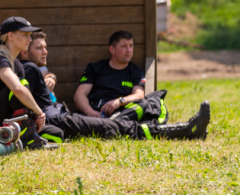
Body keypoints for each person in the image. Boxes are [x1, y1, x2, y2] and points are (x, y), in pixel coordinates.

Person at [71, 30, 210, 140]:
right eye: (124, 46)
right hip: (97, 113)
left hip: (123, 113)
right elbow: (79, 95)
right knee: (140, 123)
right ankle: (187, 129)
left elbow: (139, 95)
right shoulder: (96, 68)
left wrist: (119, 101)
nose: (129, 50)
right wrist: (91, 113)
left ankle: (114, 123)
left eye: (131, 46)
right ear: (112, 49)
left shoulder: (135, 71)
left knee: (146, 102)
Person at [0, 17, 62, 149]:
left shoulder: (17, 64)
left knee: (56, 133)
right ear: (10, 36)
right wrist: (39, 112)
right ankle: (28, 140)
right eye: (25, 35)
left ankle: (27, 135)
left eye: (29, 35)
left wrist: (35, 117)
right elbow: (17, 89)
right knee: (20, 85)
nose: (29, 39)